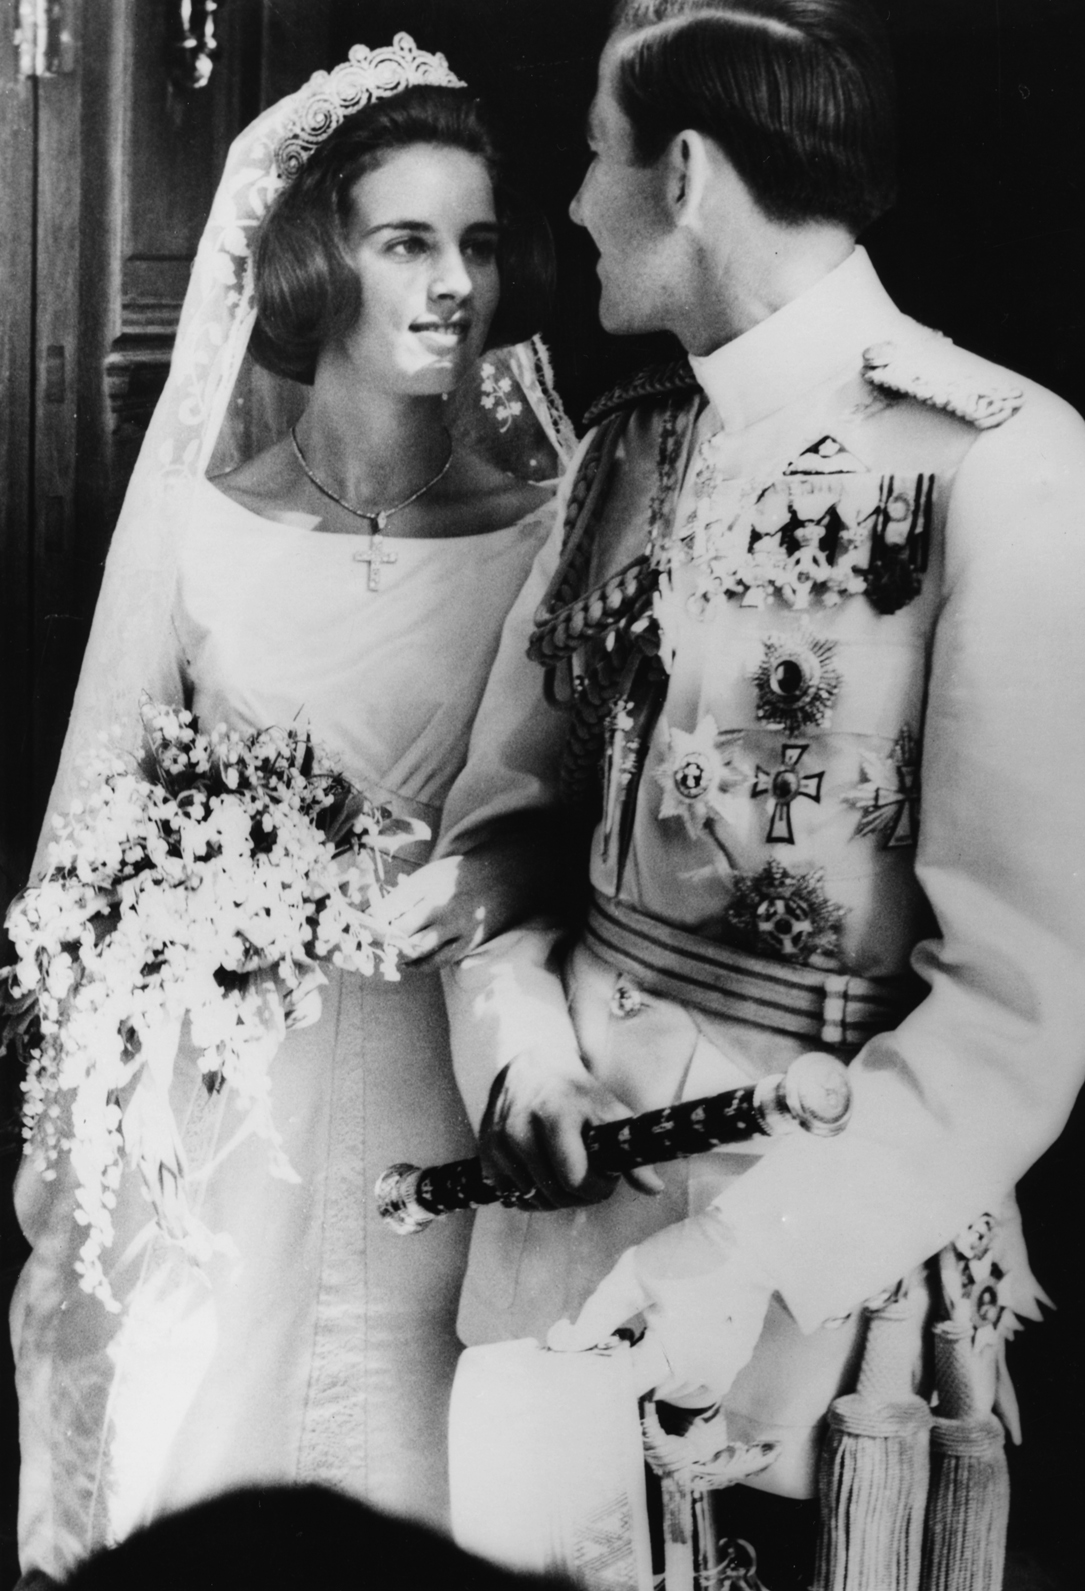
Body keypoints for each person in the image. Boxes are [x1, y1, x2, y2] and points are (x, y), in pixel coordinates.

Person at [434, 0, 1085, 1580]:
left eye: (591, 155)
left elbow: (1019, 1002)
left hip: (806, 1305)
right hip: (547, 1264)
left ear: (682, 174)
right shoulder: (622, 455)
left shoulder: (1011, 475)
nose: (568, 205)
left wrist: (742, 1259)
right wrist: (521, 1057)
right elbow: (501, 836)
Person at [9, 35, 575, 1584]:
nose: (453, 282)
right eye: (407, 243)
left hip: (458, 1067)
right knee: (225, 1429)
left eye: (473, 243)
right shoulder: (204, 528)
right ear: (325, 262)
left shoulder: (550, 524)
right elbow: (103, 831)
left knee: (429, 1446)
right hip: (236, 1092)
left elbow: (582, 819)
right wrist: (188, 917)